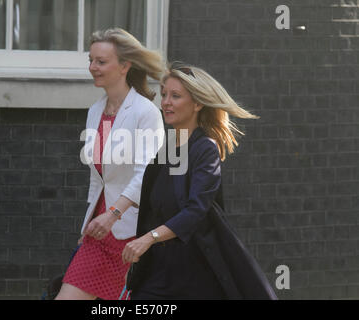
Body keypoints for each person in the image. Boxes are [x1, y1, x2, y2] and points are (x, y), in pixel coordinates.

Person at [122, 62, 275, 299]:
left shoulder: (205, 148)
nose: (166, 102)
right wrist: (113, 214)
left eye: (176, 96)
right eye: (164, 95)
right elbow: (153, 202)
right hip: (158, 271)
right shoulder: (168, 147)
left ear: (197, 103)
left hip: (195, 274)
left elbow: (196, 210)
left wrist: (148, 239)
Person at [55, 28, 165, 300]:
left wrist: (112, 214)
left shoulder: (145, 112)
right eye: (91, 60)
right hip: (99, 231)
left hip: (130, 231)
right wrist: (89, 225)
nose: (93, 67)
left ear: (125, 65)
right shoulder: (96, 112)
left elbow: (145, 175)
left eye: (101, 62)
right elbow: (98, 177)